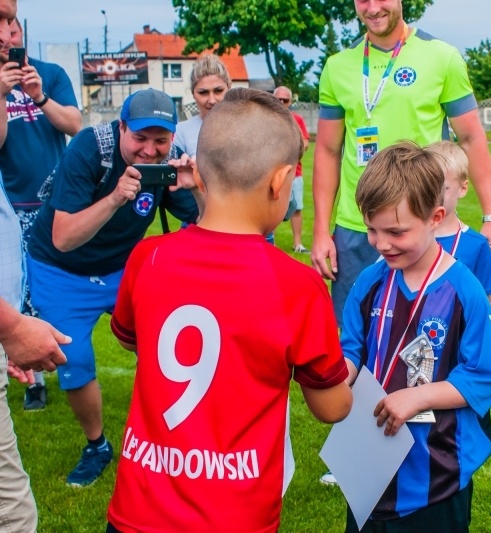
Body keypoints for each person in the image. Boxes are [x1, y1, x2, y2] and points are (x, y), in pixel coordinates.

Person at [105, 87, 352, 533]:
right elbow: (331, 407)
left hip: (138, 508)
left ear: (198, 175)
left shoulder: (148, 257)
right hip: (235, 514)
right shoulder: (297, 285)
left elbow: (130, 339)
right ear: (281, 182)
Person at [26, 88, 201, 487]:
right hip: (60, 268)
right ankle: (97, 446)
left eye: (160, 140)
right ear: (121, 127)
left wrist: (195, 187)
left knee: (166, 342)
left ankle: (170, 430)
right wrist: (116, 198)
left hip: (121, 268)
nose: (150, 150)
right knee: (74, 360)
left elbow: (207, 224)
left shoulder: (168, 162)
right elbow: (63, 238)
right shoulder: (91, 149)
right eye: (140, 138)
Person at [339, 141, 491, 532]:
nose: (381, 244)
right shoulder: (369, 282)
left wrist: (418, 397)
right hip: (369, 462)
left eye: (396, 232)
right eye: (372, 230)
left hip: (435, 472)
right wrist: (331, 375)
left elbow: (484, 377)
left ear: (435, 217)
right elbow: (351, 351)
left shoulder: (465, 290)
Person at [312, 0, 491, 327]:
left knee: (427, 333)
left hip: (421, 223)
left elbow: (471, 138)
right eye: (363, 0)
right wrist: (320, 230)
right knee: (354, 336)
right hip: (358, 228)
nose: (372, 8)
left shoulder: (442, 57)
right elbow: (328, 151)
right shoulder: (337, 66)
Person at [0, 16, 81, 410]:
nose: (8, 37)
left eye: (13, 29)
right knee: (18, 294)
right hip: (12, 206)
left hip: (54, 205)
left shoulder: (50, 73)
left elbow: (75, 124)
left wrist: (39, 97)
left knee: (52, 290)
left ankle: (61, 359)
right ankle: (33, 380)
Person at [427, 141, 491, 299]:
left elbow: (486, 303)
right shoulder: (410, 237)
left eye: (443, 188)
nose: (432, 195)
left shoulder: (477, 245)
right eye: (426, 186)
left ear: (463, 189)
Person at [274, 85, 311, 253]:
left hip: (294, 173)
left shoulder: (297, 119)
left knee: (296, 208)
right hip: (271, 173)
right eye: (278, 99)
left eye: (285, 100)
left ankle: (298, 245)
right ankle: (270, 244)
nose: (282, 102)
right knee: (270, 209)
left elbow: (305, 144)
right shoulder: (266, 119)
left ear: (290, 101)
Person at [173, 54, 231, 158]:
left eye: (218, 91)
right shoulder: (181, 132)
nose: (212, 100)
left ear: (229, 88)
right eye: (203, 92)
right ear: (193, 94)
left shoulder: (246, 127)